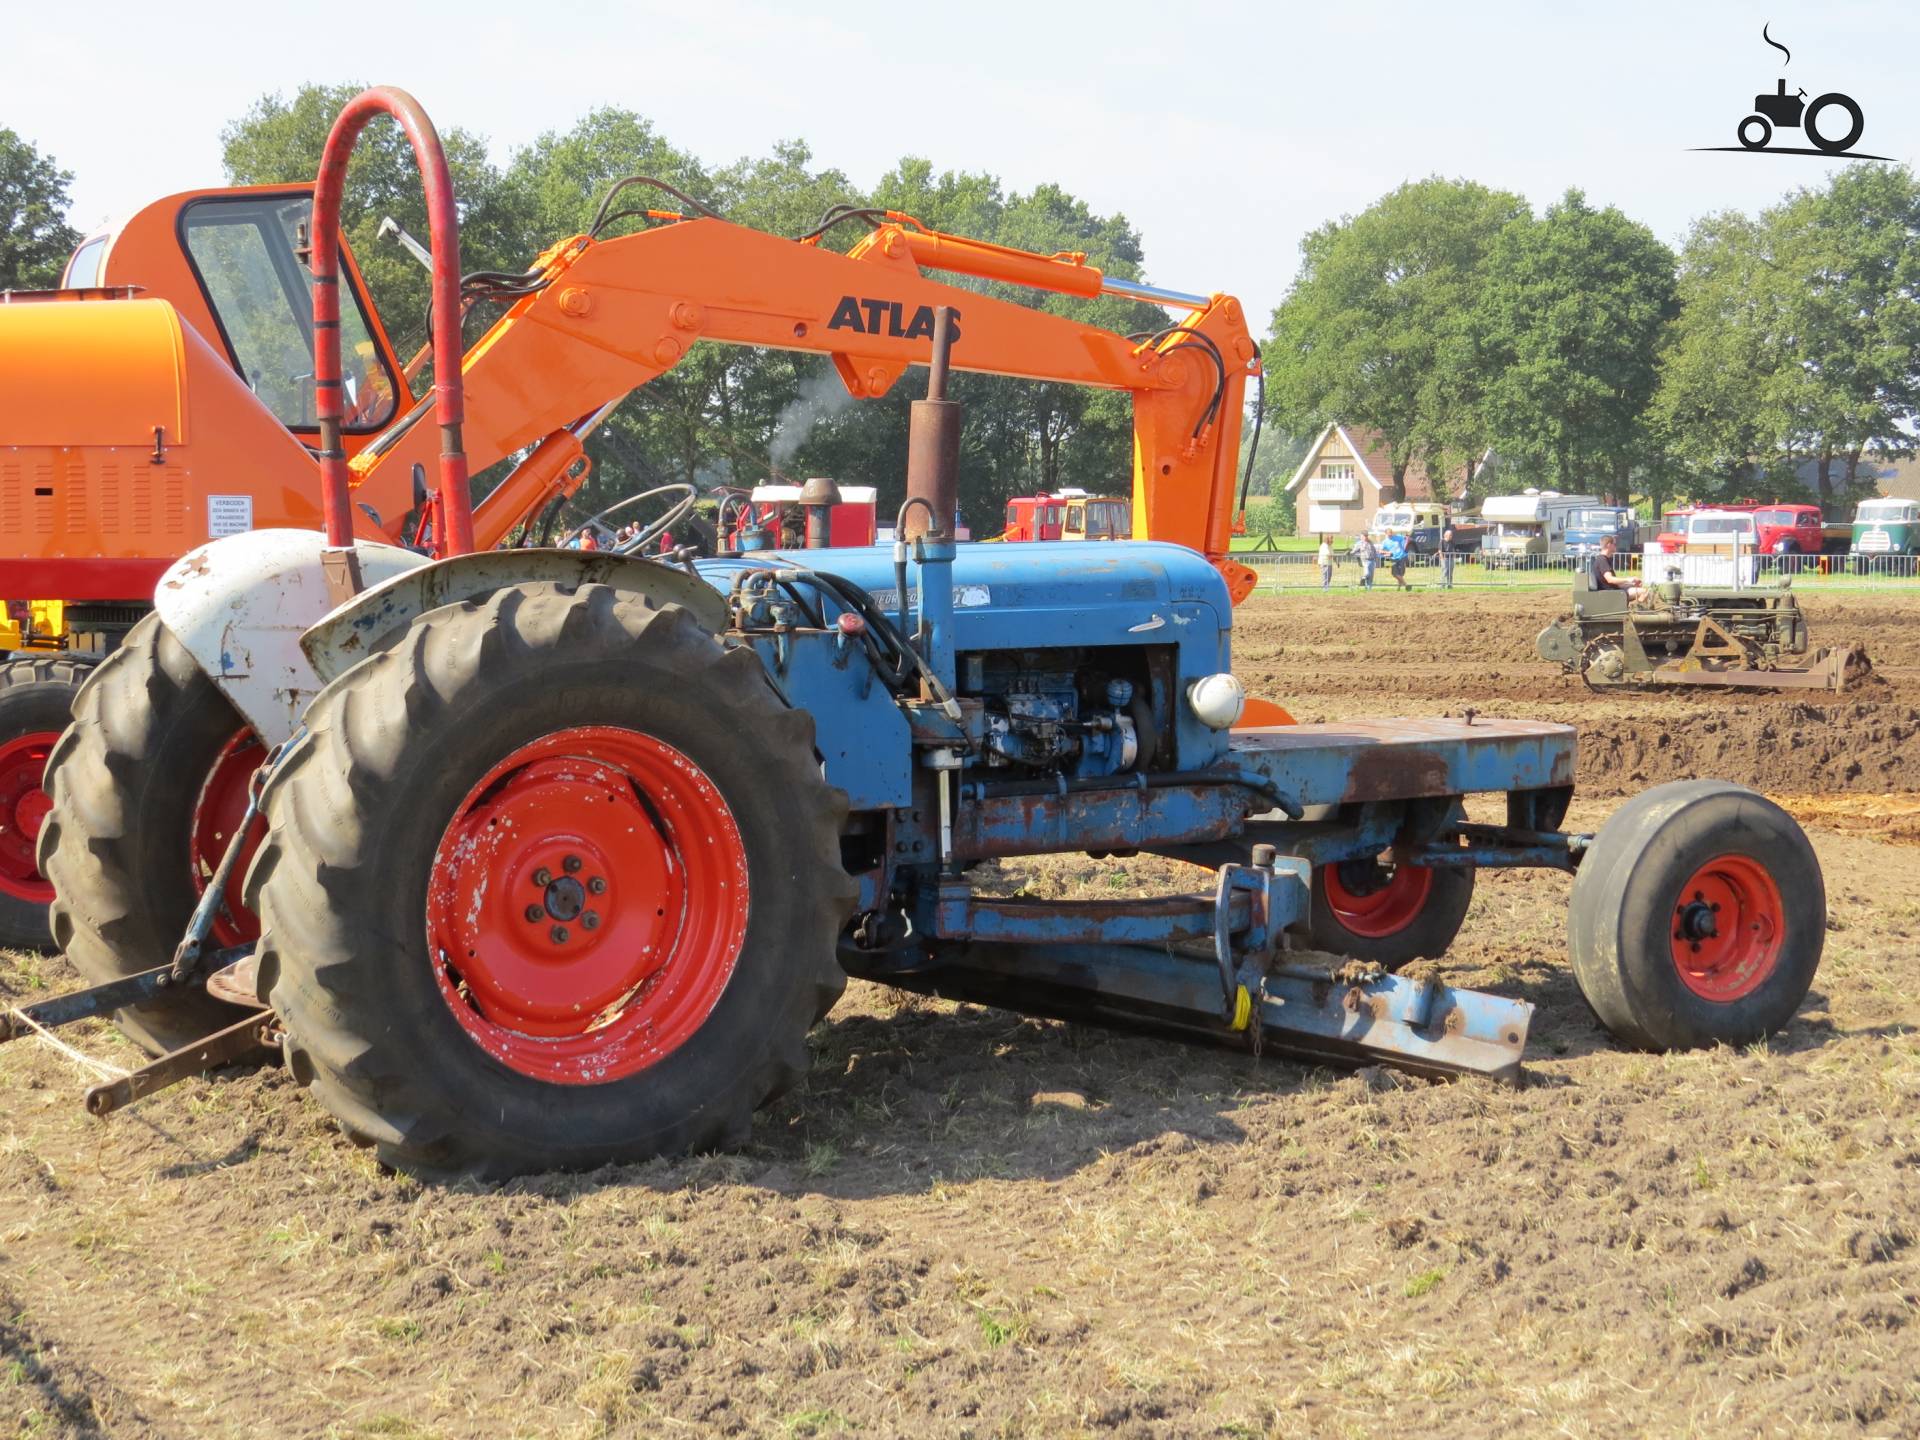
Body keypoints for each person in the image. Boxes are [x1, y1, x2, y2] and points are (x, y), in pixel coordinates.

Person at [1589, 534, 1646, 602]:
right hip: (1612, 594)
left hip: (1613, 591)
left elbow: (1614, 583)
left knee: (1638, 587)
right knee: (1644, 592)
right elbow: (1610, 579)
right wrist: (1629, 579)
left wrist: (1632, 583)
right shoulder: (1602, 560)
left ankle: (1636, 606)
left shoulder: (1603, 559)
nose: (1616, 546)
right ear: (1609, 545)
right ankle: (1635, 607)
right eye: (1614, 544)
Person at [1439, 524, 1456, 589]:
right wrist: (1442, 559)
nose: (1451, 536)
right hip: (1445, 558)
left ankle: (1450, 585)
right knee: (1445, 572)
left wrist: (1454, 558)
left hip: (1451, 558)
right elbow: (1440, 551)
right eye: (1450, 535)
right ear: (1446, 535)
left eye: (1451, 535)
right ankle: (1442, 585)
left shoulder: (1452, 541)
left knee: (1450, 572)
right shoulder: (1442, 541)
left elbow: (1454, 550)